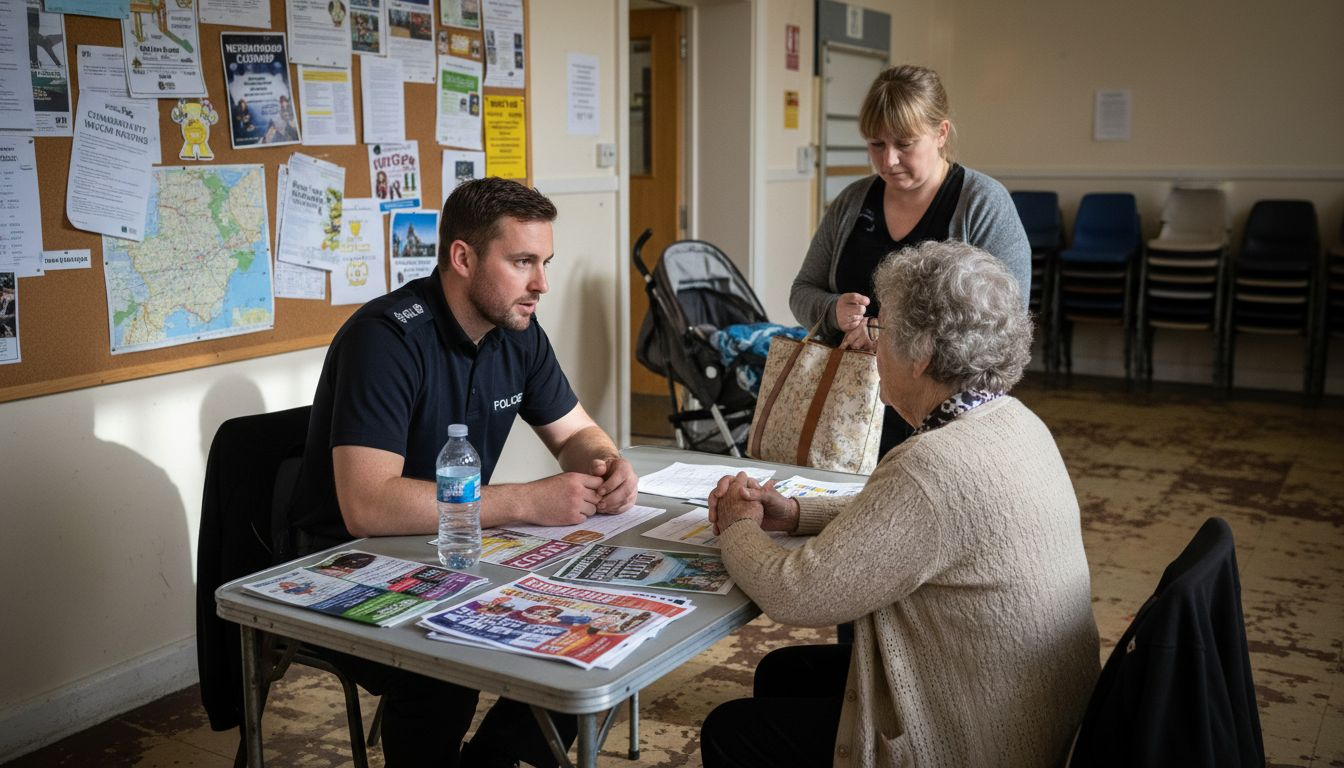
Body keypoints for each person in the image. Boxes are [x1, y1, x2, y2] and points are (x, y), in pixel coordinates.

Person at [701, 240, 1099, 768]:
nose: (872, 346)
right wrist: (796, 514)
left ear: (924, 353)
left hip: (974, 739)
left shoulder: (931, 466)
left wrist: (738, 527)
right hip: (1029, 708)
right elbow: (909, 524)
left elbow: (798, 595)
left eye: (883, 331)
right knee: (783, 673)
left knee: (731, 730)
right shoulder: (1013, 420)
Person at [292, 177, 639, 767]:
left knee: (593, 632)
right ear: (462, 257)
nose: (541, 285)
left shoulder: (517, 331)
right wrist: (527, 501)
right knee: (444, 666)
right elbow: (367, 506)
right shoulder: (386, 340)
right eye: (523, 261)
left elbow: (577, 433)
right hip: (348, 562)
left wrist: (607, 464)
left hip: (452, 546)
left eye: (545, 262)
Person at [790, 64, 1031, 455]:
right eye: (875, 145)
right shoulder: (851, 203)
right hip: (850, 411)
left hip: (943, 420)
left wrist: (889, 336)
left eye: (904, 144)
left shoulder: (982, 203)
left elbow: (1006, 328)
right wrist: (834, 311)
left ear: (941, 133)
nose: (888, 161)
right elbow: (802, 292)